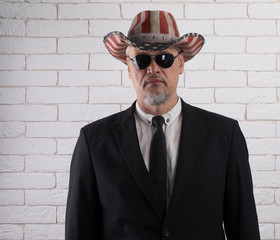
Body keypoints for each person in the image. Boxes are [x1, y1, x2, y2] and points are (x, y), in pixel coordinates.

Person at [65, 10, 261, 240]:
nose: (154, 69)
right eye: (142, 59)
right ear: (128, 68)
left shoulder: (224, 135)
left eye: (165, 59)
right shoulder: (94, 140)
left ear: (181, 64)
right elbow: (79, 231)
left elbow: (244, 226)